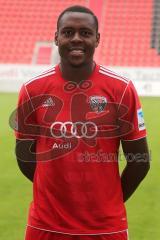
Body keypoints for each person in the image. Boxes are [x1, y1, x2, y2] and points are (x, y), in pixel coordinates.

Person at [15, 5, 150, 240]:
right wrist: (54, 194)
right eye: (68, 32)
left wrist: (109, 202)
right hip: (45, 225)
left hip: (106, 228)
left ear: (97, 39)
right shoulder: (32, 90)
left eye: (85, 33)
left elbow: (140, 161)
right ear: (56, 37)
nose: (76, 39)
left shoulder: (121, 90)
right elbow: (24, 156)